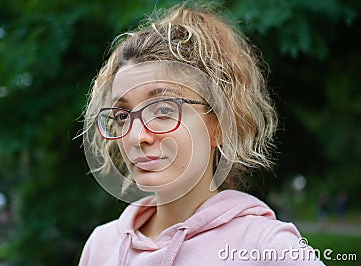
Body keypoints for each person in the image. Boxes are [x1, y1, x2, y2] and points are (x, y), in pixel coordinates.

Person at [79, 2, 324, 265]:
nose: (136, 137)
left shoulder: (267, 248)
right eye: (122, 116)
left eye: (163, 110)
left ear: (219, 124)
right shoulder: (102, 246)